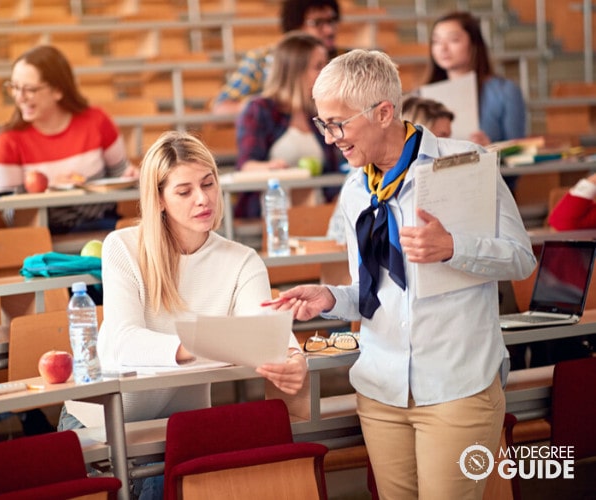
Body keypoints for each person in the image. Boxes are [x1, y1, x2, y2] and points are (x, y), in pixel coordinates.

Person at [269, 49, 536, 499]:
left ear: (384, 112)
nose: (330, 137)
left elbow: (521, 259)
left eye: (338, 123)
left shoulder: (465, 163)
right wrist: (333, 298)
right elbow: (373, 292)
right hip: (381, 389)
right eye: (323, 124)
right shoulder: (356, 189)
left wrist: (453, 247)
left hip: (457, 386)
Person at [62, 131, 307, 498]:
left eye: (208, 184)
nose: (203, 199)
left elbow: (264, 332)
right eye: (184, 191)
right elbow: (122, 342)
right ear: (158, 199)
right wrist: (204, 343)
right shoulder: (122, 248)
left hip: (180, 431)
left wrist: (292, 357)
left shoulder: (241, 260)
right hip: (101, 426)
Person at [0, 45, 138, 234]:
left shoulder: (97, 121)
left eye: (30, 89)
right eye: (14, 87)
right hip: (44, 237)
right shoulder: (7, 141)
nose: (20, 98)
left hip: (104, 226)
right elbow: (11, 216)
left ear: (58, 90)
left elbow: (119, 173)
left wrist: (131, 175)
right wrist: (49, 191)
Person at [234, 31, 340, 218]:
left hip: (317, 213)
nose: (326, 73)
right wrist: (273, 168)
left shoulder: (319, 112)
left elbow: (332, 173)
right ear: (294, 71)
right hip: (270, 214)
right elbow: (246, 165)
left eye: (326, 65)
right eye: (318, 66)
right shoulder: (260, 109)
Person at [211, 0, 342, 115]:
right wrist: (268, 106)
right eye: (317, 23)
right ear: (295, 24)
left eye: (332, 21)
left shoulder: (345, 59)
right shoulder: (261, 60)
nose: (329, 30)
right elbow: (221, 108)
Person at [424, 11, 526, 147]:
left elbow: (518, 149)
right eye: (436, 41)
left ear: (474, 44)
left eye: (453, 40)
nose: (443, 48)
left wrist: (491, 147)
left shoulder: (505, 91)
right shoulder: (423, 96)